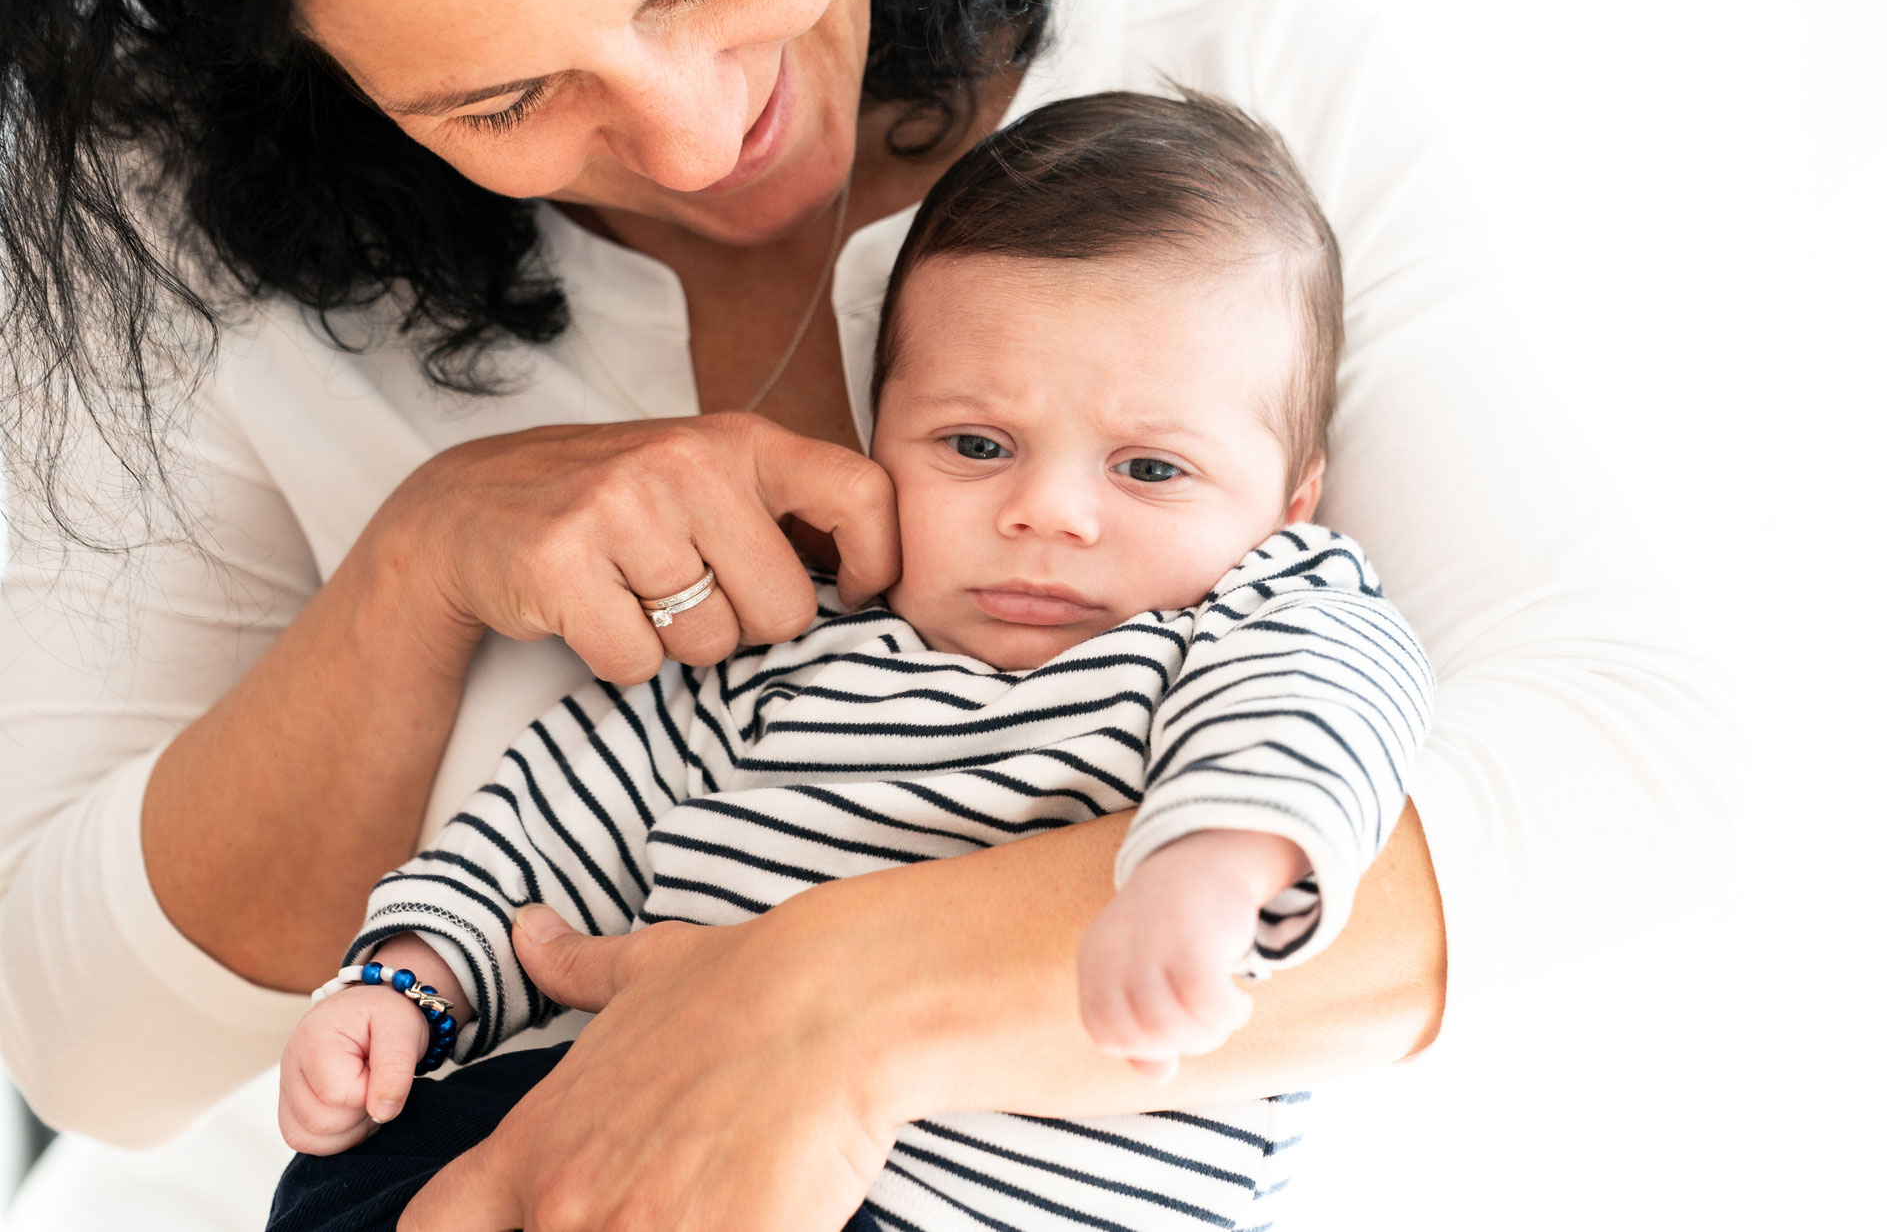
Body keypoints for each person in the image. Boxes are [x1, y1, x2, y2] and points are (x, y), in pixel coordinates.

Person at [0, 0, 1735, 1228]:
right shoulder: (168, 245)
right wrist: (417, 569)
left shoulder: (1255, 114)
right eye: (503, 95)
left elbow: (1625, 769)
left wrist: (828, 1004)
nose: (694, 138)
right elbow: (89, 1049)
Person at [268, 89, 1436, 1232]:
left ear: (1289, 508)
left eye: (1147, 470)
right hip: (647, 1119)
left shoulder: (1250, 618)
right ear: (879, 442)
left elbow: (1323, 712)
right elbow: (552, 820)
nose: (1045, 511)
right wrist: (409, 981)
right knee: (362, 1171)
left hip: (963, 1200)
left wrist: (1210, 873)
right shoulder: (790, 650)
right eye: (975, 445)